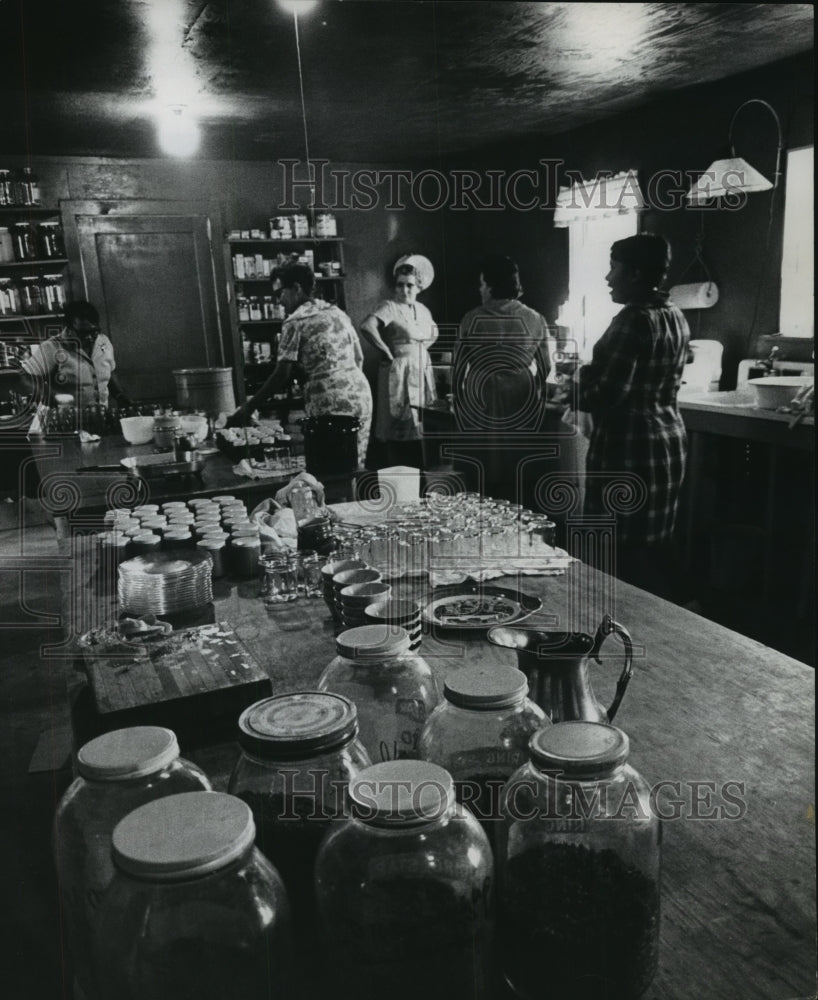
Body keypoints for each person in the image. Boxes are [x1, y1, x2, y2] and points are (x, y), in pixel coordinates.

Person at [576, 233, 690, 600]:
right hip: (668, 442)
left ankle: (633, 628)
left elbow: (605, 396)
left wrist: (577, 382)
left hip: (629, 449)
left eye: (614, 269)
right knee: (654, 541)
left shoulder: (631, 320)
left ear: (636, 274)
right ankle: (681, 612)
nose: (609, 278)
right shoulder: (675, 316)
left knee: (621, 552)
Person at [227, 263, 372, 471]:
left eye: (280, 293)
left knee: (329, 468)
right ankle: (355, 501)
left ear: (296, 288)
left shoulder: (295, 322)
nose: (279, 301)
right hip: (360, 394)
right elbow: (359, 358)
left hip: (330, 398)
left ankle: (336, 502)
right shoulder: (336, 312)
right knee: (354, 463)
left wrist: (249, 407)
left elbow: (281, 374)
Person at [453, 254, 551, 503]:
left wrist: (460, 396)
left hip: (481, 393)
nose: (480, 289)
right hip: (521, 393)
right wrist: (535, 392)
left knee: (481, 467)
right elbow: (546, 366)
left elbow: (458, 366)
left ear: (491, 285)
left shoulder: (472, 318)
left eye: (482, 284)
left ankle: (482, 520)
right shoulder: (535, 318)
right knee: (517, 465)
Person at [359, 257, 438, 468]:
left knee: (420, 423)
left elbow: (429, 336)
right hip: (399, 371)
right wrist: (385, 350)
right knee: (397, 422)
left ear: (418, 286)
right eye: (400, 285)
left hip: (420, 368)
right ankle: (396, 475)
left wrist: (419, 354)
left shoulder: (423, 310)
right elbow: (367, 326)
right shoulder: (390, 306)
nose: (404, 290)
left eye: (409, 285)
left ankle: (421, 479)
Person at [19, 299, 131, 424]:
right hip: (68, 421)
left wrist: (120, 396)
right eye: (83, 333)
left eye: (94, 332)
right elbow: (26, 377)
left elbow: (110, 371)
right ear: (69, 328)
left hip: (101, 418)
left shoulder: (103, 341)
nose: (89, 338)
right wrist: (48, 394)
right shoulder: (51, 347)